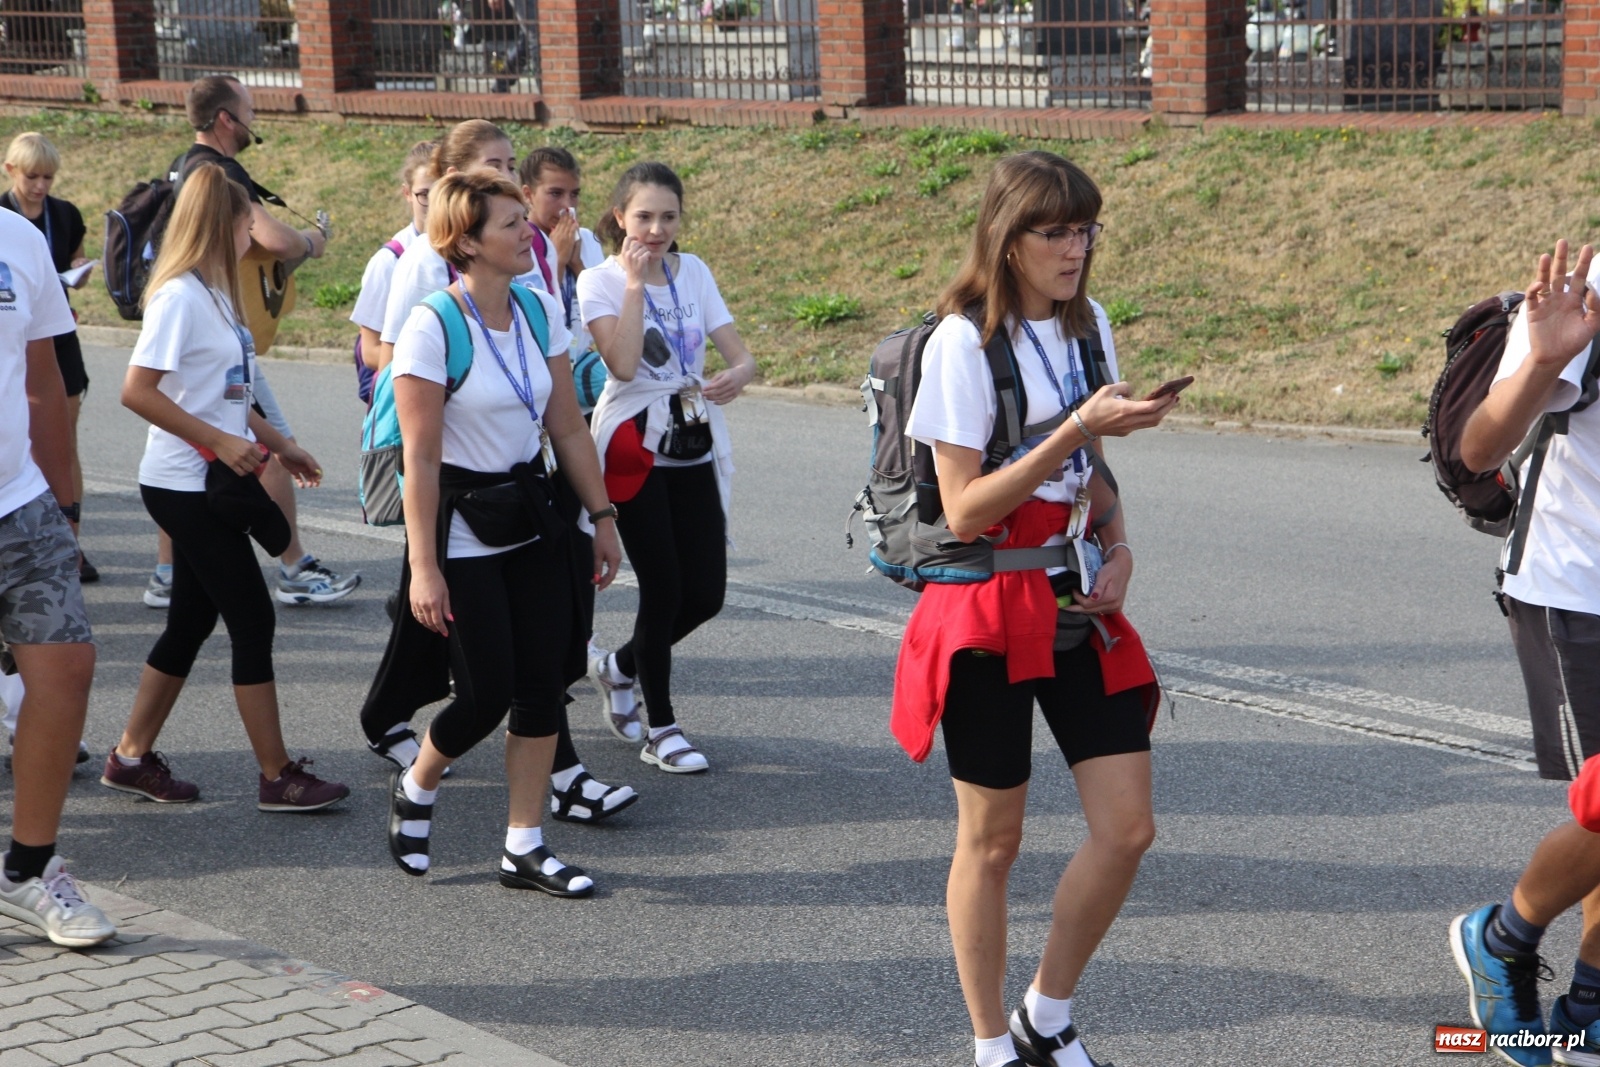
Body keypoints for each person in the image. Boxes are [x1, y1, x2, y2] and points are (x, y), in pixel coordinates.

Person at [890, 151, 1175, 1067]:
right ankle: (988, 1044)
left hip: (1074, 597)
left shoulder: (1089, 330)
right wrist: (1077, 428)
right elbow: (966, 505)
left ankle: (1046, 1013)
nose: (1075, 247)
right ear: (1006, 241)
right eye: (1054, 230)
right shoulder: (960, 344)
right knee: (994, 839)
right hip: (983, 607)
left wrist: (1121, 544)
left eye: (1085, 228)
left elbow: (1097, 477)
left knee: (1128, 827)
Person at [362, 132, 635, 827]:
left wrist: (601, 518)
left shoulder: (539, 308)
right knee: (486, 695)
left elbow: (568, 427)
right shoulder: (432, 324)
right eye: (513, 223)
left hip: (533, 510)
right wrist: (424, 567)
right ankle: (420, 780)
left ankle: (525, 841)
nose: (530, 232)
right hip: (462, 519)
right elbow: (417, 460)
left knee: (544, 685)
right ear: (470, 241)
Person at [104, 162, 349, 813]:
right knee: (252, 615)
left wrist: (280, 442)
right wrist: (219, 441)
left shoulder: (212, 293)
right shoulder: (179, 296)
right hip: (183, 486)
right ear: (225, 224)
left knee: (190, 620)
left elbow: (226, 393)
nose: (256, 233)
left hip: (201, 480)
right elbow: (137, 392)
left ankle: (129, 757)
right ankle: (276, 776)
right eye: (249, 222)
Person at [1450, 239, 1600, 1067]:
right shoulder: (1590, 290)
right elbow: (1479, 447)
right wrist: (1543, 360)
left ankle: (1588, 1008)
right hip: (1577, 587)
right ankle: (1501, 936)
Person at [142, 74, 359, 611]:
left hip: (222, 339)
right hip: (217, 354)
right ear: (225, 119)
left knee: (188, 629)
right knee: (247, 624)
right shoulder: (217, 177)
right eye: (248, 112)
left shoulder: (182, 167)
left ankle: (170, 573)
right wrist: (313, 240)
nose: (253, 123)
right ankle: (295, 568)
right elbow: (278, 239)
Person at [580, 161, 758, 771]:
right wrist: (635, 285)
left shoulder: (696, 271)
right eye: (644, 217)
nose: (657, 230)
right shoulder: (599, 282)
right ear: (619, 218)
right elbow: (624, 365)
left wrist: (737, 374)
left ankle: (619, 666)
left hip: (691, 437)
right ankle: (662, 730)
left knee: (705, 594)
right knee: (663, 588)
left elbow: (741, 354)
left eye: (668, 217)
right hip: (631, 443)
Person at [0, 203, 114, 947]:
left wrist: (63, 502)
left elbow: (44, 384)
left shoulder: (18, 238)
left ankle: (29, 867)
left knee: (67, 669)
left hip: (19, 501)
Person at [1, 132, 95, 582]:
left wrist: (80, 271)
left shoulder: (64, 213)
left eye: (48, 178)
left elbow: (77, 257)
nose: (40, 186)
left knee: (64, 428)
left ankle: (66, 525)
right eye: (32, 177)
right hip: (17, 334)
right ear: (11, 172)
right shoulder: (7, 213)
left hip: (56, 331)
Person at [378, 121, 521, 370]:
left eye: (511, 166)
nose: (507, 177)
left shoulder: (528, 244)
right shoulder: (423, 258)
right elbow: (393, 361)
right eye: (493, 166)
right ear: (456, 177)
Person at [517, 145, 607, 417]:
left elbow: (606, 306)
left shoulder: (588, 241)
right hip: (540, 381)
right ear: (528, 195)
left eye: (574, 194)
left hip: (584, 377)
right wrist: (556, 260)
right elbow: (529, 315)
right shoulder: (519, 245)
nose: (567, 205)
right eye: (555, 193)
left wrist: (577, 263)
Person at [351, 140, 436, 391]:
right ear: (407, 194)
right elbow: (370, 352)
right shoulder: (389, 260)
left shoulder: (465, 252)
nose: (434, 203)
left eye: (442, 192)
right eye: (424, 194)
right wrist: (437, 367)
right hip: (409, 392)